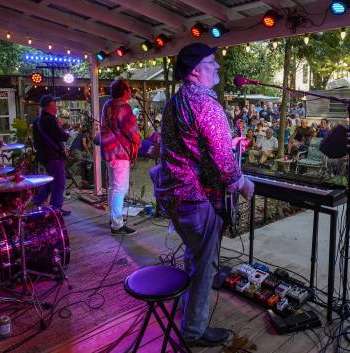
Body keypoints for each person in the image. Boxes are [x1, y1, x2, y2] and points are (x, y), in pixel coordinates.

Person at [151, 43, 254, 347]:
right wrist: (244, 185)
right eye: (212, 63)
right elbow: (226, 167)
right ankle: (194, 331)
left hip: (172, 193)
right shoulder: (207, 104)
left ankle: (188, 314)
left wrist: (227, 140)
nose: (218, 68)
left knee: (194, 255)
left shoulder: (177, 100)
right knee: (206, 264)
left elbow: (191, 145)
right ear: (196, 69)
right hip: (192, 197)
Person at [100, 79, 141, 235]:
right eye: (129, 89)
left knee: (112, 187)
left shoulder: (108, 105)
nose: (130, 92)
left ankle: (113, 219)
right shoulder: (123, 106)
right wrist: (138, 143)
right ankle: (117, 224)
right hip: (120, 152)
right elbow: (132, 132)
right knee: (120, 189)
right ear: (124, 91)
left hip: (109, 152)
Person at [32, 94, 71, 215]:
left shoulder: (37, 121)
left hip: (45, 155)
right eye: (55, 103)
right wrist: (67, 133)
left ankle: (37, 202)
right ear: (50, 105)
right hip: (53, 156)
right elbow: (60, 136)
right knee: (59, 183)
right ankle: (56, 209)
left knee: (50, 180)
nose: (57, 106)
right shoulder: (49, 120)